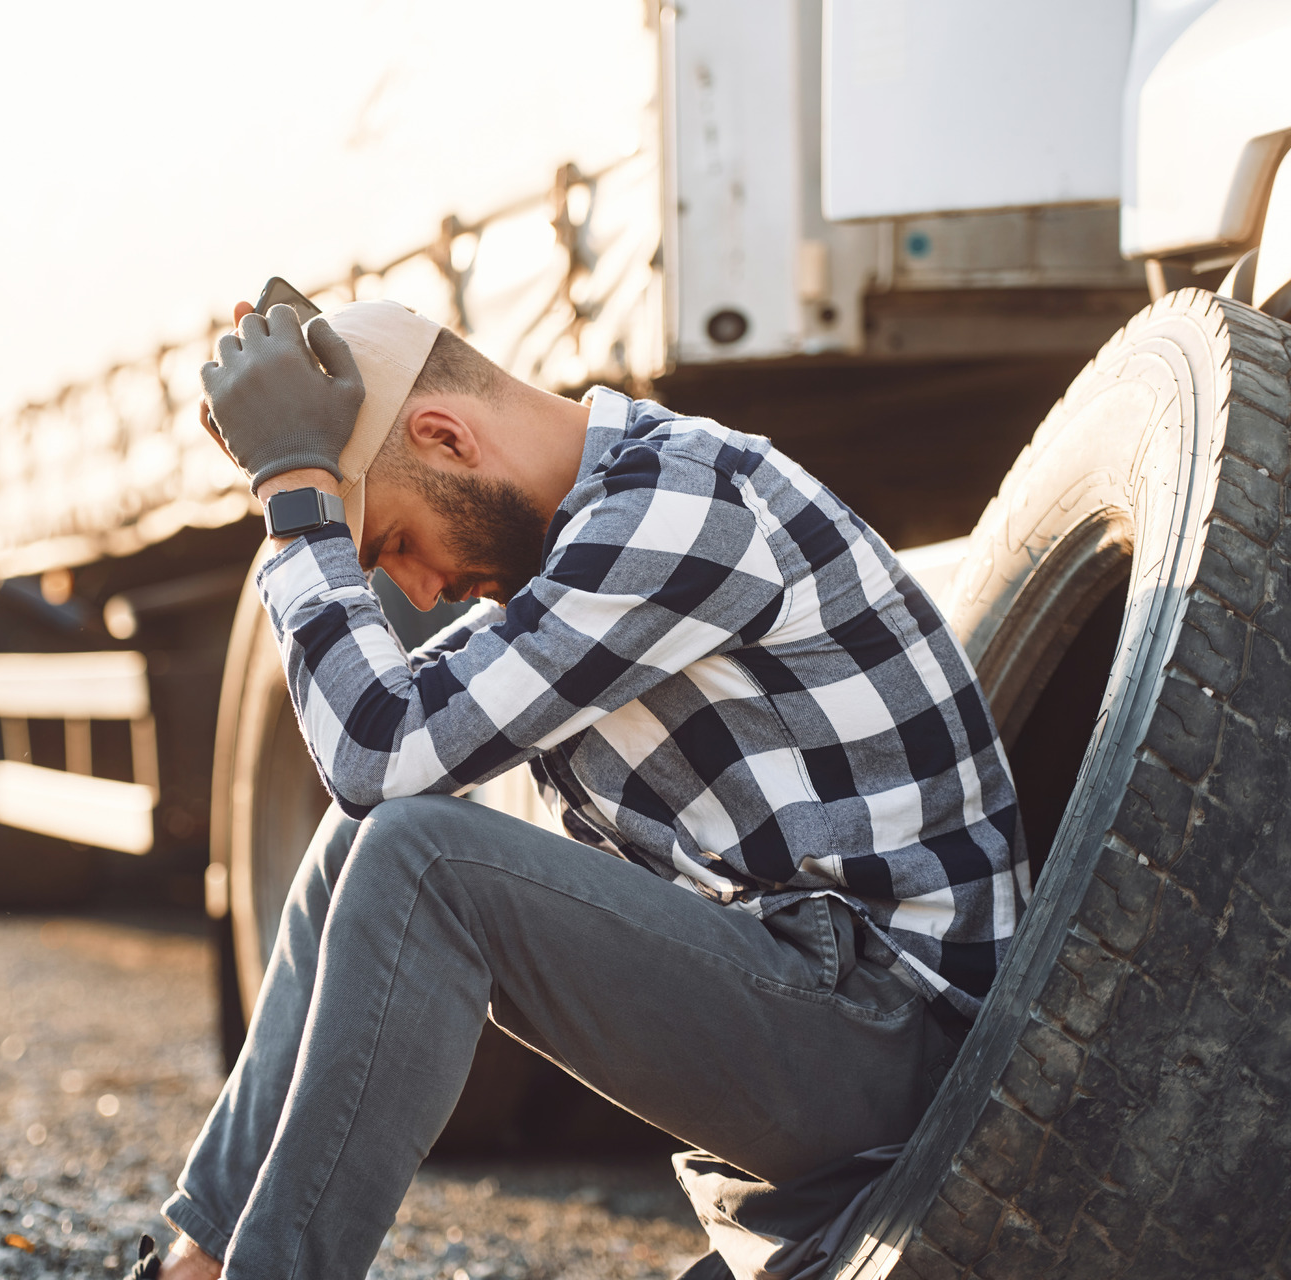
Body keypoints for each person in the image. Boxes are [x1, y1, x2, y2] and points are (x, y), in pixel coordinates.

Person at [131, 297, 1026, 1280]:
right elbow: (377, 753)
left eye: (390, 542)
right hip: (822, 1025)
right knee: (361, 848)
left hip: (900, 1046)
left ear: (446, 438)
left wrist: (298, 501)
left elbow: (376, 753)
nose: (417, 592)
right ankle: (197, 1261)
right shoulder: (577, 557)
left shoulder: (681, 505)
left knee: (422, 860)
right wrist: (290, 486)